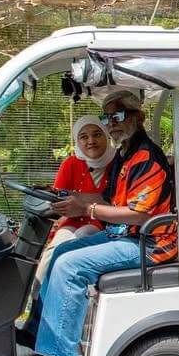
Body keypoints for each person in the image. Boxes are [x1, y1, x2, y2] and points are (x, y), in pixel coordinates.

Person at [16, 91, 175, 356]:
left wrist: (86, 208)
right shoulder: (125, 155)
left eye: (117, 116)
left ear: (138, 118)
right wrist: (65, 196)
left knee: (70, 267)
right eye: (107, 117)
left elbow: (138, 215)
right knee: (61, 253)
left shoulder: (147, 158)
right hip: (123, 236)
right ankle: (38, 331)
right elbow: (107, 197)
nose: (111, 123)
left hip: (148, 243)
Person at [30, 115, 116, 291]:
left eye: (97, 134)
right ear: (77, 140)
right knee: (53, 250)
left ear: (106, 136)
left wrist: (83, 205)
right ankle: (38, 299)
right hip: (72, 221)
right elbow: (58, 197)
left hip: (105, 223)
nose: (91, 141)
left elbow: (116, 200)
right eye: (84, 137)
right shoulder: (71, 163)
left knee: (82, 237)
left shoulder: (118, 162)